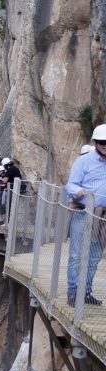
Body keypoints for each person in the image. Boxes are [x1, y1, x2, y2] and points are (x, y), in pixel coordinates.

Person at [65, 124, 106, 306]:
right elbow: (70, 185)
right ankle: (73, 292)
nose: (105, 145)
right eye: (102, 142)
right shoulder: (84, 161)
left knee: (95, 257)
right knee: (76, 255)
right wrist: (79, 191)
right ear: (96, 143)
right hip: (84, 212)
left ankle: (86, 292)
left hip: (103, 217)